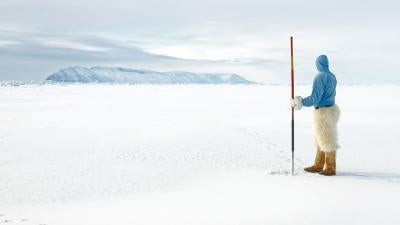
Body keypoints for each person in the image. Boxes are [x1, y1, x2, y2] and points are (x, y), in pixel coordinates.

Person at [290, 55, 340, 176]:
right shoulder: (332, 76)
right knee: (321, 139)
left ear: (317, 64)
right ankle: (318, 164)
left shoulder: (320, 77)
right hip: (331, 110)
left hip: (323, 112)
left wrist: (300, 101)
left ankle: (330, 167)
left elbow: (315, 98)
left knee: (327, 140)